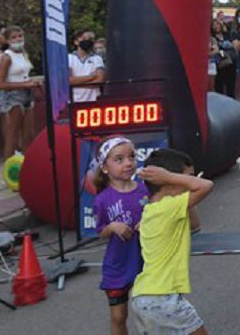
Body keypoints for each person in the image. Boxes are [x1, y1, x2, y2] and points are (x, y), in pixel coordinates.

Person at [131, 149, 214, 335]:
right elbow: (207, 185)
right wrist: (171, 177)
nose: (191, 182)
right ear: (167, 181)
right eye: (189, 177)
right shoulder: (168, 208)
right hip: (162, 297)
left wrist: (181, 187)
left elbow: (195, 224)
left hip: (144, 297)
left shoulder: (153, 210)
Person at [92, 136, 147, 335]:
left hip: (147, 260)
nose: (128, 163)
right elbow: (101, 232)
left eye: (131, 156)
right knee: (118, 316)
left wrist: (148, 221)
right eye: (119, 159)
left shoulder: (145, 190)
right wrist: (113, 226)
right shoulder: (102, 199)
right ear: (105, 167)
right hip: (118, 264)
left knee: (151, 311)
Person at [0, 26, 40, 159]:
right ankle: (7, 168)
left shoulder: (23, 54)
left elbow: (23, 74)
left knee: (28, 134)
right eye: (14, 37)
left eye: (20, 36)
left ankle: (26, 165)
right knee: (12, 134)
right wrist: (24, 84)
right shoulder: (7, 57)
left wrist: (32, 82)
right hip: (13, 96)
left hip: (27, 93)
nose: (18, 39)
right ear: (7, 40)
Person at [69, 29, 105, 104]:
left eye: (91, 39)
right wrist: (91, 77)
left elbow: (99, 81)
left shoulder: (97, 59)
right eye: (85, 38)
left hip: (94, 101)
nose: (89, 41)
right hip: (74, 102)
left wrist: (77, 83)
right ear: (76, 42)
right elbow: (69, 81)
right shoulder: (68, 58)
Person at [211, 19, 237, 98]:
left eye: (217, 24)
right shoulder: (212, 38)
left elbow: (234, 46)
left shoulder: (227, 35)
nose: (216, 26)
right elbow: (216, 50)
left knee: (231, 87)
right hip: (220, 65)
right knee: (219, 86)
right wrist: (223, 53)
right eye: (214, 25)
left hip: (231, 64)